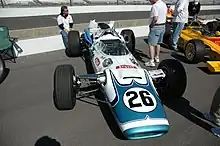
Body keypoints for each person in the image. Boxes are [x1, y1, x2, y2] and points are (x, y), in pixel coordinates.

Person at [144, 0, 167, 67]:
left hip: (156, 26)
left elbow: (155, 18)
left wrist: (151, 25)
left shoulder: (155, 6)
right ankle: (157, 57)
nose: (150, 1)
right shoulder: (163, 4)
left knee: (151, 44)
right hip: (163, 26)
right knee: (158, 43)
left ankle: (151, 61)